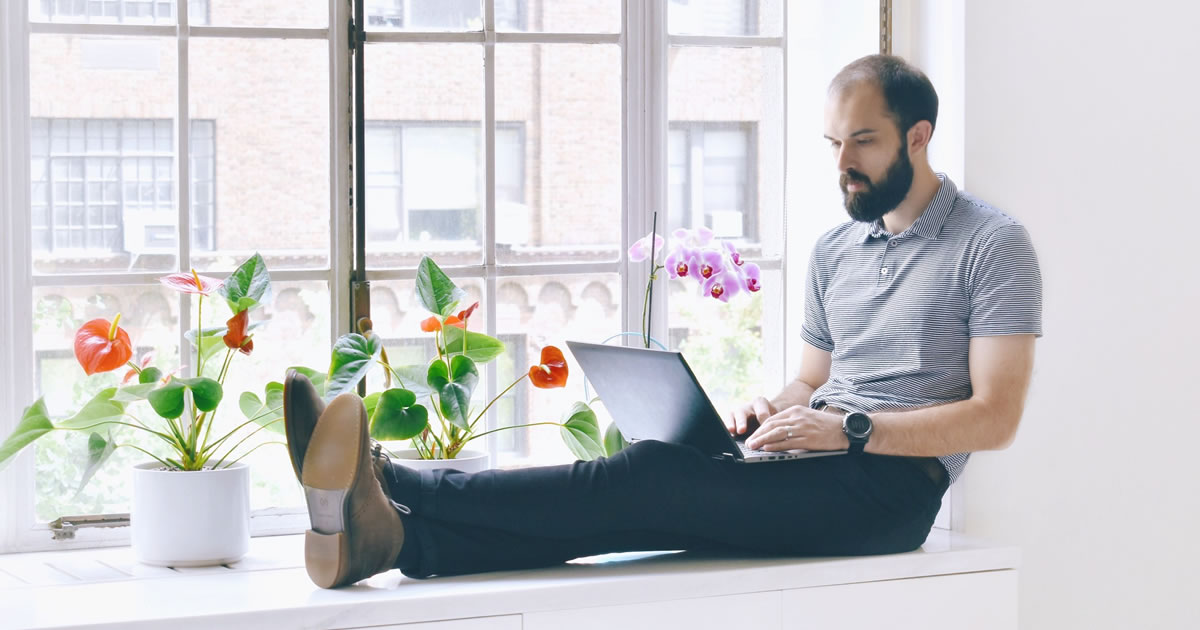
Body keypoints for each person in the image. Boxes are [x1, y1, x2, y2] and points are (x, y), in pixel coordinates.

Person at [286, 54, 1043, 589]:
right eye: (833, 142)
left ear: (918, 136)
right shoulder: (836, 250)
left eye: (863, 141)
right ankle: (393, 540)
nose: (842, 161)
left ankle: (392, 480)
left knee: (649, 475)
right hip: (812, 463)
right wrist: (772, 411)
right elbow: (811, 380)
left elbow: (996, 418)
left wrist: (845, 430)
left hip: (890, 493)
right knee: (627, 515)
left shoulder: (990, 243)